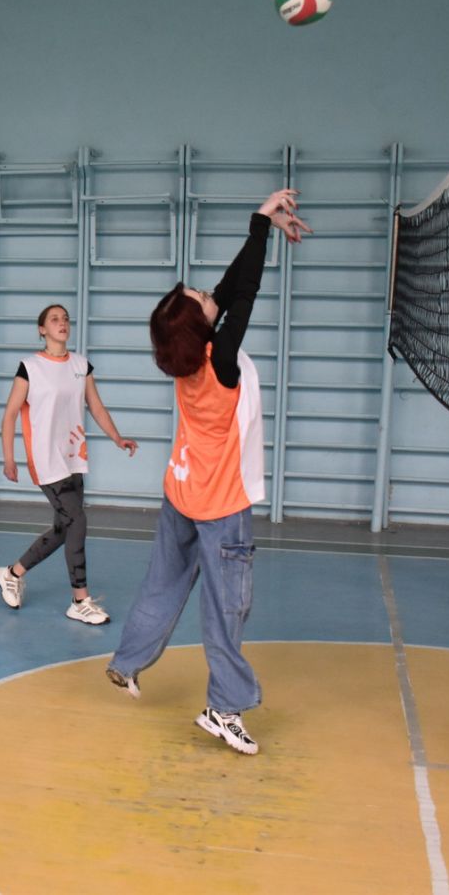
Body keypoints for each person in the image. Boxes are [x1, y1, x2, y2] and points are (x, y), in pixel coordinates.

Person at [104, 189, 309, 755]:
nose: (205, 292)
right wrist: (261, 223)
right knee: (227, 608)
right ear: (203, 325)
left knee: (163, 582)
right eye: (199, 296)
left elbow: (229, 288)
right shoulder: (221, 358)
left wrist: (262, 227)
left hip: (180, 493)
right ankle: (225, 708)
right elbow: (245, 290)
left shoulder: (187, 357)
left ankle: (128, 662)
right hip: (220, 506)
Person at [0, 304, 138, 624]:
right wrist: (9, 457)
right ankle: (79, 600)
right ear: (42, 329)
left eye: (66, 319)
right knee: (77, 521)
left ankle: (12, 573)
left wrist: (117, 437)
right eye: (54, 319)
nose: (62, 323)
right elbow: (10, 414)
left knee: (65, 527)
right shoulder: (30, 367)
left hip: (74, 456)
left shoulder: (80, 365)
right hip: (45, 458)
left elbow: (95, 406)